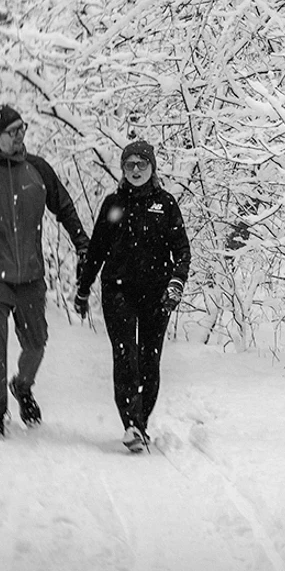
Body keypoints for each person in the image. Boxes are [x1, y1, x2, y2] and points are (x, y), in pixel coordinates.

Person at [0, 104, 89, 443]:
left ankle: (22, 386)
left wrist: (82, 243)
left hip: (31, 277)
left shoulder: (37, 169)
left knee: (36, 343)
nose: (20, 135)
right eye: (13, 131)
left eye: (22, 128)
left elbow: (64, 207)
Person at [74, 138, 191, 453]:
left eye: (142, 164)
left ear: (152, 168)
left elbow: (182, 250)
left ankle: (141, 423)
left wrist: (176, 283)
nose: (136, 169)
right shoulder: (113, 204)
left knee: (149, 360)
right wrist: (83, 289)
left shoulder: (165, 204)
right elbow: (97, 250)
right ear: (123, 170)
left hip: (157, 293)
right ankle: (130, 424)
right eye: (129, 165)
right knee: (126, 357)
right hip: (118, 291)